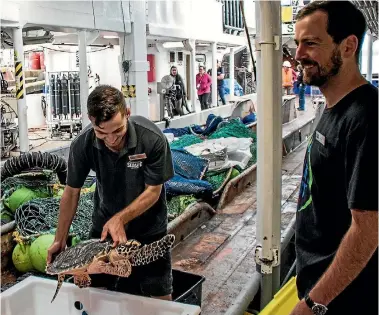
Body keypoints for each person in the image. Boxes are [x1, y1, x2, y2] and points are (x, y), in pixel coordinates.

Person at [46, 85, 175, 300]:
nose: (111, 140)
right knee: (96, 298)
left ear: (127, 114)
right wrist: (60, 239)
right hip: (103, 232)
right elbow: (71, 193)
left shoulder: (152, 139)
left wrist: (120, 219)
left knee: (160, 299)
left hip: (149, 227)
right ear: (90, 120)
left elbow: (153, 191)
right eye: (101, 133)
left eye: (117, 131)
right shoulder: (83, 143)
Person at [291, 2, 378, 315]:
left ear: (349, 45)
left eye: (311, 43)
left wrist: (314, 304)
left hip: (342, 300)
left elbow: (369, 229)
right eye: (297, 42)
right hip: (321, 287)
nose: (299, 54)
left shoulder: (367, 116)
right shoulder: (331, 107)